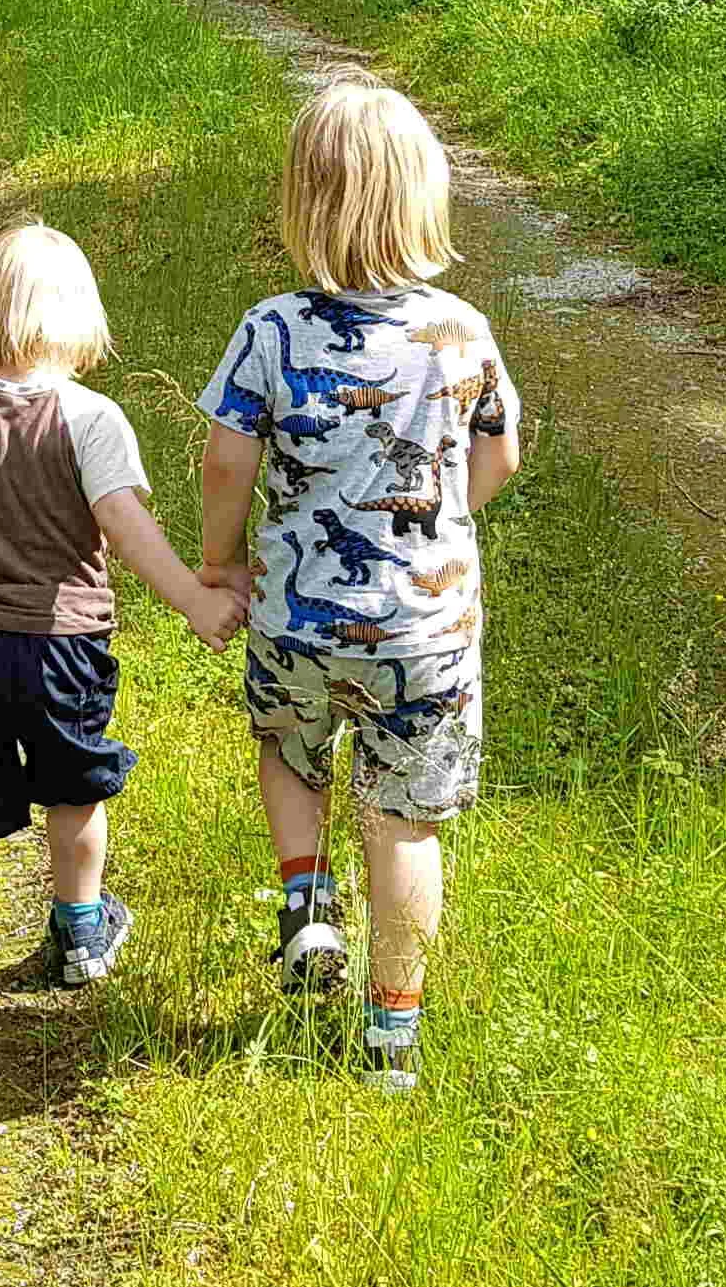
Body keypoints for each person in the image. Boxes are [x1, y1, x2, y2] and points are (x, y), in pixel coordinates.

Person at [0, 218, 244, 1048]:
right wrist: (195, 601)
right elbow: (127, 530)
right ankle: (82, 931)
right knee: (74, 787)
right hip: (65, 648)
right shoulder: (93, 419)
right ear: (81, 317)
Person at [196, 77, 520, 1090]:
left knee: (293, 756)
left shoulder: (272, 329)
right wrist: (441, 528)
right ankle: (392, 1033)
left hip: (297, 617)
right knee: (405, 821)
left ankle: (303, 902)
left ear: (304, 204)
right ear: (426, 202)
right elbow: (501, 455)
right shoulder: (461, 331)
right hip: (427, 633)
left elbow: (222, 460)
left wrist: (219, 559)